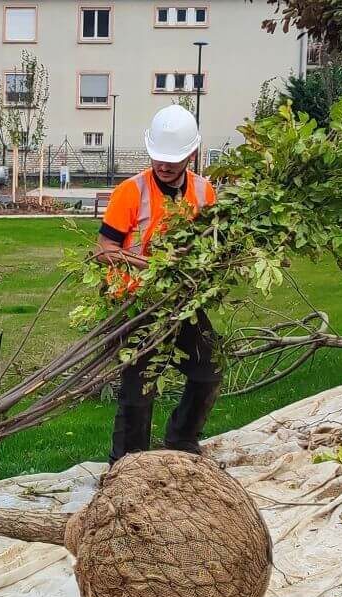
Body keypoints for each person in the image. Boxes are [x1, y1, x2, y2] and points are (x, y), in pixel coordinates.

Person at [93, 105, 219, 463]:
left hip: (184, 302)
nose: (164, 166)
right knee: (138, 391)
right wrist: (152, 266)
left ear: (191, 154)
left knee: (209, 371)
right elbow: (104, 251)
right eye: (159, 158)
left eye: (173, 159)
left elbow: (212, 242)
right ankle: (129, 465)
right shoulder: (130, 192)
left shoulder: (204, 192)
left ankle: (181, 441)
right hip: (137, 304)